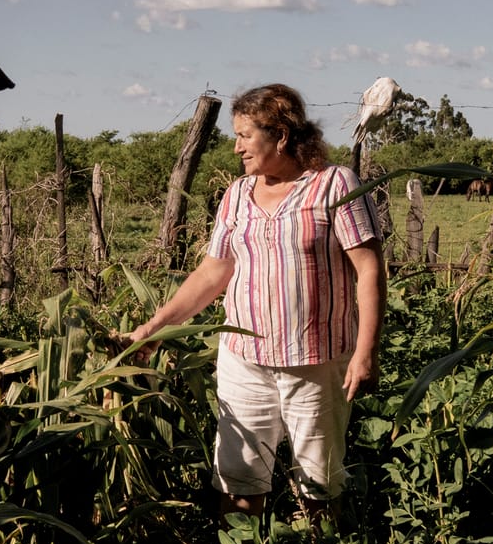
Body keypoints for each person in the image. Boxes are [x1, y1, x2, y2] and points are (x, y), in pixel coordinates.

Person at [124, 84, 384, 521]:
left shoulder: (334, 185)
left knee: (318, 484)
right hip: (244, 361)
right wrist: (156, 328)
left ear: (280, 135)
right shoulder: (237, 195)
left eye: (245, 135)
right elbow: (212, 274)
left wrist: (365, 353)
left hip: (315, 361)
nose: (236, 147)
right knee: (238, 477)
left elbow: (370, 270)